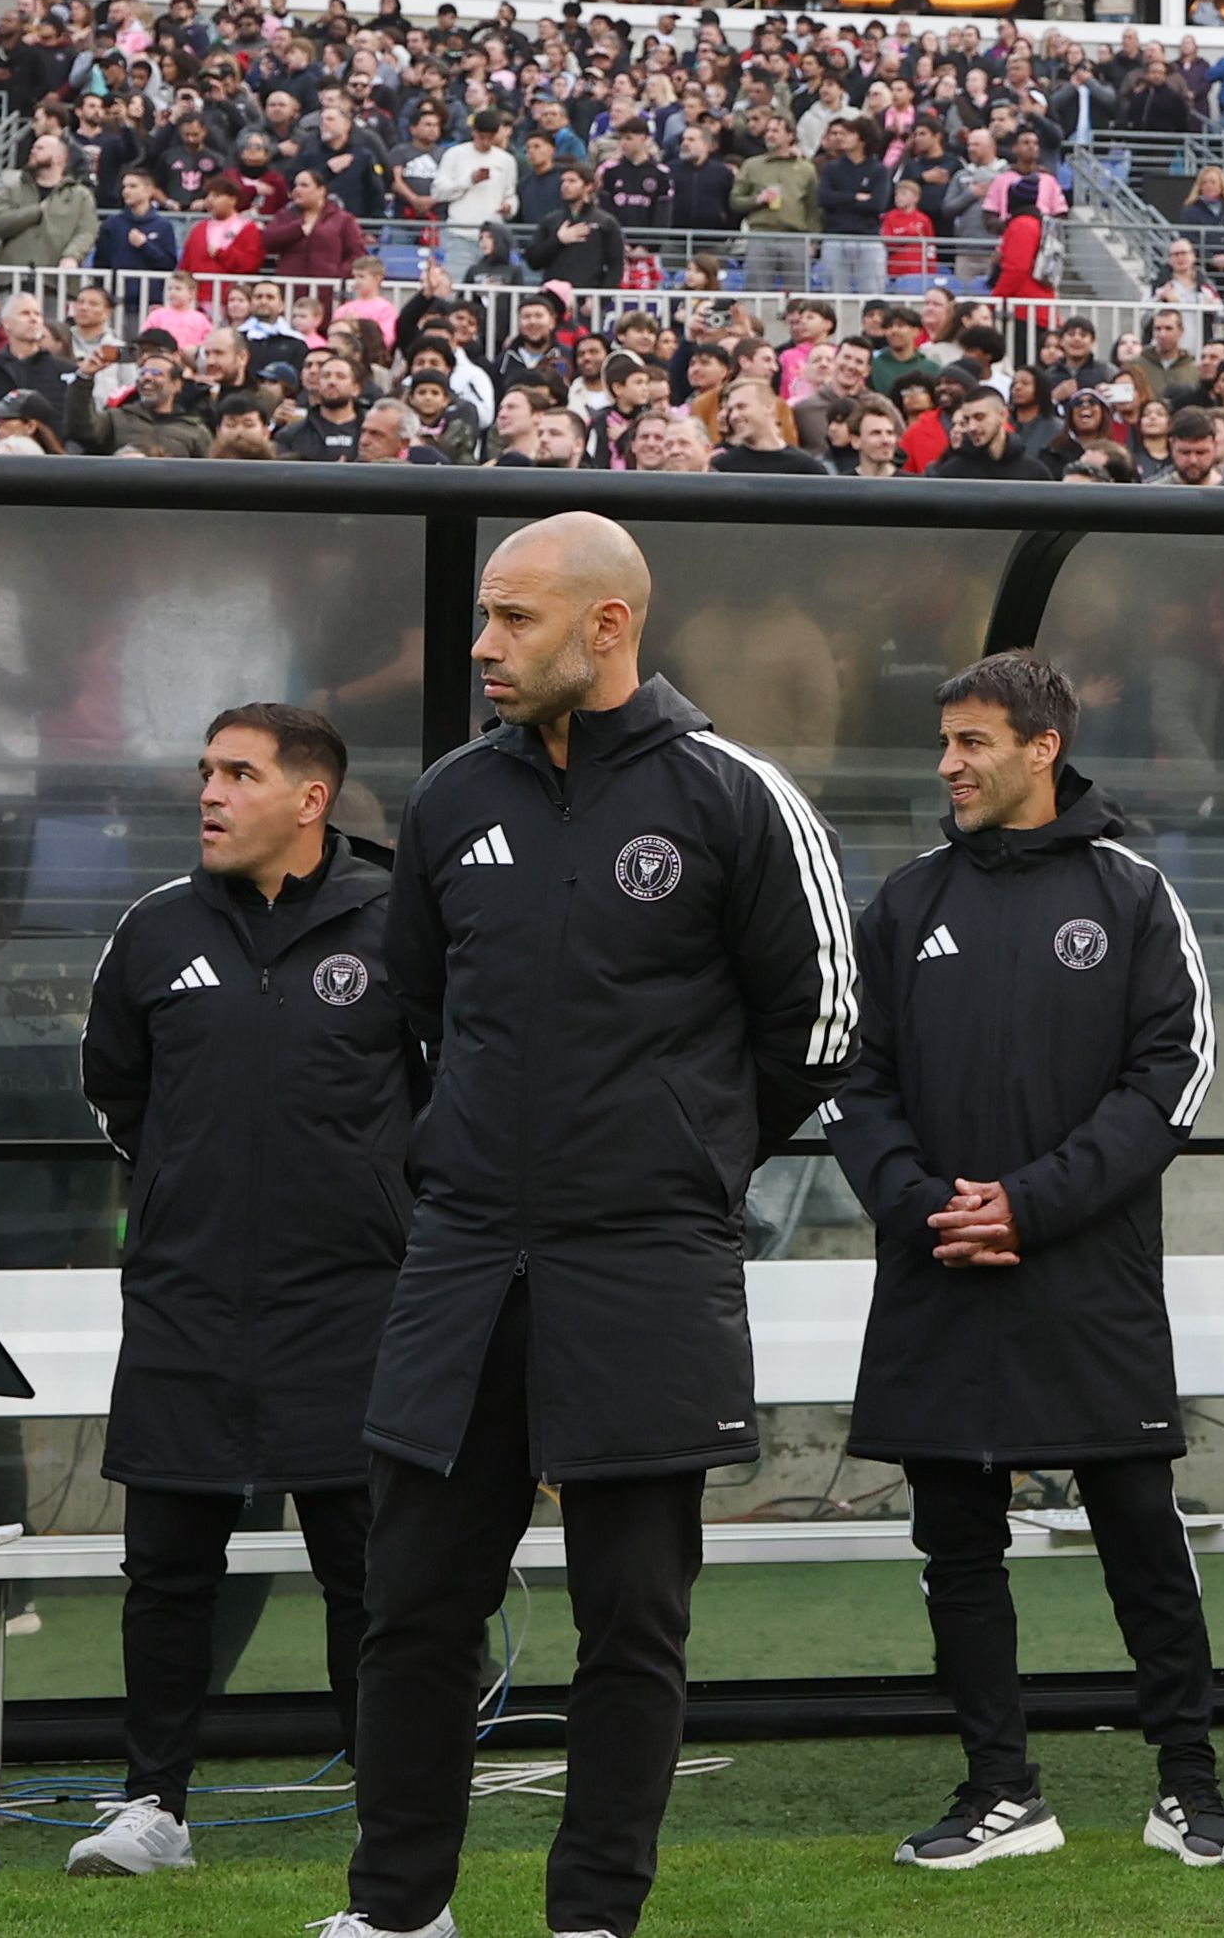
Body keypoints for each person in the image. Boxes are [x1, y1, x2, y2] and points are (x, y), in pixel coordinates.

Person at [338, 515, 853, 1938]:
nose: (483, 645)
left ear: (607, 625)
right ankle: (399, 1910)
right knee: (412, 1600)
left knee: (631, 1615)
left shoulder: (734, 794)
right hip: (463, 1262)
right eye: (485, 616)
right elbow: (418, 1006)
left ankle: (592, 1919)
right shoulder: (452, 798)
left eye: (514, 618)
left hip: (645, 1262)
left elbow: (816, 1026)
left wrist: (677, 1158)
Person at [821, 652, 1224, 1872]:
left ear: (1041, 747)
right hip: (940, 1266)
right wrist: (925, 1205)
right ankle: (1001, 1789)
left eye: (971, 741)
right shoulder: (906, 900)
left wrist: (1031, 1202)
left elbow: (1171, 1079)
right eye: (944, 741)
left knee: (1139, 1532)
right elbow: (849, 1075)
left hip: (1084, 1274)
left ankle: (1190, 1786)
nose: (948, 764)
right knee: (955, 1540)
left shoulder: (1131, 893)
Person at [67, 705, 414, 1879]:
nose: (209, 792)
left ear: (311, 799)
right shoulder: (156, 926)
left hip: (353, 1305)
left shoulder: (401, 921)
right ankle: (153, 1807)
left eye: (239, 773)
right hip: (189, 1299)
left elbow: (448, 1092)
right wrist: (188, 1188)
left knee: (366, 1575)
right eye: (206, 771)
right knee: (167, 1569)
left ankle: (391, 1809)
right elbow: (116, 1088)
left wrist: (379, 1204)